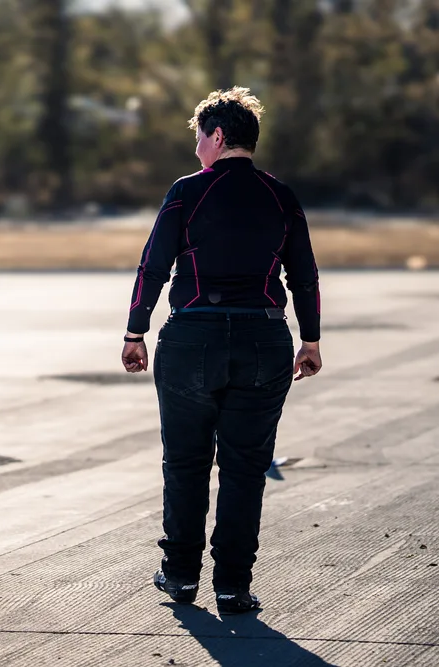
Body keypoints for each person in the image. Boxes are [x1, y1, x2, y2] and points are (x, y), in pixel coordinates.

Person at [120, 87, 322, 614]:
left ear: (217, 136)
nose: (196, 152)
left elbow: (154, 264)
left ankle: (181, 576)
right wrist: (311, 340)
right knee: (245, 468)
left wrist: (135, 331)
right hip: (264, 340)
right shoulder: (282, 196)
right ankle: (233, 585)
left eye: (198, 140)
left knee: (185, 463)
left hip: (192, 340)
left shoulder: (188, 191)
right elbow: (304, 275)